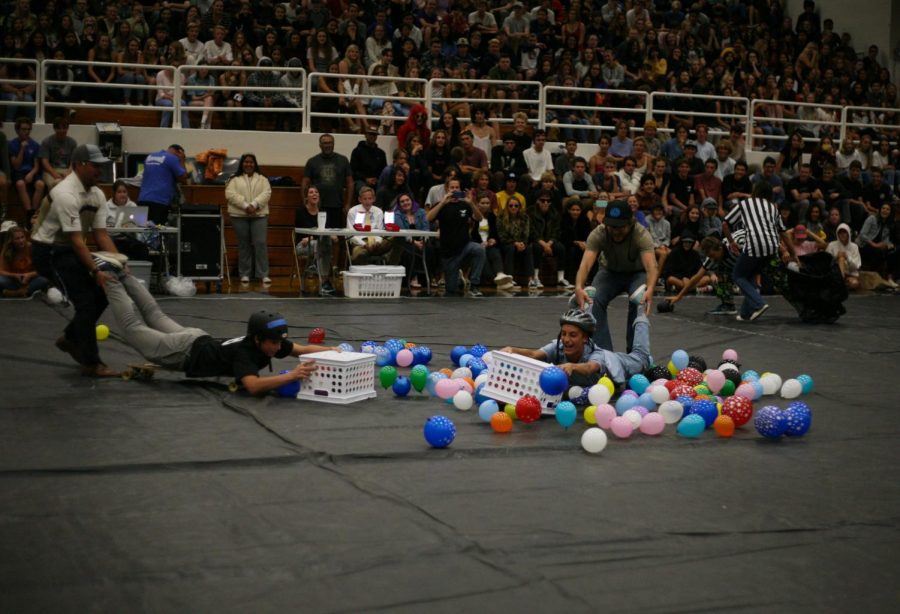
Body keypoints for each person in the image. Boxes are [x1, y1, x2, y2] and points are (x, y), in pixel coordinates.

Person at [101, 280, 330, 394]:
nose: (277, 347)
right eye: (274, 343)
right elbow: (253, 386)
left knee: (154, 314)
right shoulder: (246, 353)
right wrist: (291, 375)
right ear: (258, 339)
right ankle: (111, 277)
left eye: (279, 342)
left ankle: (124, 273)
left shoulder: (267, 342)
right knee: (132, 327)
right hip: (182, 352)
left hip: (195, 338)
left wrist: (334, 351)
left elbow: (300, 349)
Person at [31, 144, 122, 377]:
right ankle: (91, 363)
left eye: (101, 167)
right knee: (86, 302)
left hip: (69, 250)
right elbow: (77, 241)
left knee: (102, 294)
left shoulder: (97, 194)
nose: (99, 171)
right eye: (95, 166)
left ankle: (70, 339)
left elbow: (100, 235)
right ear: (79, 164)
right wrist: (95, 271)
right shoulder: (65, 193)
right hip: (49, 252)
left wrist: (121, 263)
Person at [573, 202, 658, 353]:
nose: (616, 231)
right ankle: (603, 353)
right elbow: (585, 265)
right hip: (610, 272)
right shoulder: (599, 233)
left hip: (636, 273)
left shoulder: (641, 234)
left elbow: (651, 267)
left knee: (639, 300)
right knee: (593, 299)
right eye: (612, 227)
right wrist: (578, 287)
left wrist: (650, 289)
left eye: (620, 227)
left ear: (630, 223)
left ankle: (634, 353)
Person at [500, 307, 652, 389]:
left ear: (584, 338)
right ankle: (587, 307)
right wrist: (513, 349)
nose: (566, 339)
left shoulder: (596, 354)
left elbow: (589, 368)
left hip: (619, 363)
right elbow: (534, 354)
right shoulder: (558, 346)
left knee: (642, 357)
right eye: (564, 334)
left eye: (572, 335)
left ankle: (641, 312)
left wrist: (572, 366)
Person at [722, 181, 796, 322]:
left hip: (755, 244)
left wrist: (731, 242)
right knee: (750, 275)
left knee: (738, 275)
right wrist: (793, 253)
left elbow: (725, 223)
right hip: (772, 247)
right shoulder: (773, 207)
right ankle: (745, 314)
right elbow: (784, 232)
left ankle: (759, 304)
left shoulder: (745, 203)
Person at [425, 178, 485, 297]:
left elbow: (479, 218)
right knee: (451, 290)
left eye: (457, 187)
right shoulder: (441, 205)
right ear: (447, 189)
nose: (454, 190)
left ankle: (474, 284)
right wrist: (443, 202)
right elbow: (428, 218)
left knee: (479, 249)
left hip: (465, 246)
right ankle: (457, 278)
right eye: (452, 188)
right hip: (449, 252)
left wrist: (471, 203)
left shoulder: (465, 204)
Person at [665, 231, 747, 316]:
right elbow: (696, 277)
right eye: (710, 256)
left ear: (720, 248)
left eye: (713, 255)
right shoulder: (711, 258)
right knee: (721, 273)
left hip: (753, 254)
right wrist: (678, 297)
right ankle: (728, 305)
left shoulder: (736, 245)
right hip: (737, 264)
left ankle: (755, 301)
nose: (712, 259)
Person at [226, 153, 272, 285]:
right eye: (246, 162)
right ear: (242, 164)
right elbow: (230, 194)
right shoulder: (234, 179)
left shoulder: (263, 179)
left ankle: (263, 274)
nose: (248, 164)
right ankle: (245, 274)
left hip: (259, 215)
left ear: (255, 164)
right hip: (239, 216)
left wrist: (254, 205)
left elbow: (267, 193)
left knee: (260, 243)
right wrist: (246, 205)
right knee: (244, 245)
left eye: (251, 162)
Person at [302, 134, 353, 229]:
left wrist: (348, 203)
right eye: (325, 143)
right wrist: (305, 202)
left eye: (330, 143)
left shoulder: (343, 160)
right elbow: (305, 183)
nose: (328, 145)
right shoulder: (312, 161)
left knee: (336, 235)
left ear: (333, 144)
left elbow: (350, 183)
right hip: (317, 206)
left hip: (337, 205)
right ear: (320, 145)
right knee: (319, 234)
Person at [295, 185, 337, 296]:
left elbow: (326, 230)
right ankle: (324, 281)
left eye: (316, 192)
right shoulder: (301, 211)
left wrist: (331, 235)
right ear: (306, 197)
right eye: (311, 192)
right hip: (303, 245)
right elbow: (305, 232)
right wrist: (315, 237)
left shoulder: (323, 212)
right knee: (324, 243)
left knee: (324, 243)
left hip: (318, 244)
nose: (314, 194)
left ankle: (320, 275)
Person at [8, 117, 45, 230]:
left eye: (28, 129)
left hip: (31, 172)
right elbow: (16, 165)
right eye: (23, 129)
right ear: (17, 130)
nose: (26, 132)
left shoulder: (35, 145)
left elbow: (36, 166)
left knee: (40, 185)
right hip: (18, 172)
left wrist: (31, 174)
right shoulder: (12, 144)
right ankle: (29, 212)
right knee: (20, 184)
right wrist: (22, 149)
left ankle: (32, 214)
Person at [137, 144, 188, 225]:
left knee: (142, 229)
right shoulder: (172, 158)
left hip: (142, 199)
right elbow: (183, 178)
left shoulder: (150, 156)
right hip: (160, 201)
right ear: (179, 152)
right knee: (157, 230)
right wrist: (182, 160)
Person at [530, 191, 570, 288]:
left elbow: (556, 231)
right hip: (536, 240)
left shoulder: (555, 213)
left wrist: (549, 243)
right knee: (537, 248)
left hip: (550, 241)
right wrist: (544, 245)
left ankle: (560, 278)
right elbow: (531, 232)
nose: (546, 203)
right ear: (537, 201)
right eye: (542, 200)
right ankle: (535, 277)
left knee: (561, 248)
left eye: (548, 201)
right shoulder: (530, 212)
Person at [105, 180, 151, 262]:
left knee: (142, 248)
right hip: (113, 239)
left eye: (124, 192)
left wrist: (143, 224)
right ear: (114, 194)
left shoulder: (132, 205)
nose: (122, 194)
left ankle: (141, 273)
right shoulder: (106, 207)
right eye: (119, 192)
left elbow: (139, 224)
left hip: (128, 238)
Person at [346, 186, 393, 265]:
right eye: (365, 199)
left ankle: (387, 260)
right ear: (359, 199)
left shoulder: (378, 211)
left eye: (370, 198)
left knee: (396, 239)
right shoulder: (353, 211)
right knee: (359, 254)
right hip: (361, 243)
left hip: (377, 243)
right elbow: (351, 234)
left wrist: (377, 242)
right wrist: (364, 244)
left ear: (374, 199)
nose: (367, 201)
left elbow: (380, 231)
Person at [0, 224, 48, 297]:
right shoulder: (6, 250)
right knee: (1, 280)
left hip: (31, 280)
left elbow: (43, 269)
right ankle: (22, 292)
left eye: (22, 237)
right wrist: (15, 276)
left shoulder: (32, 248)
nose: (21, 240)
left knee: (44, 279)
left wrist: (29, 275)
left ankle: (18, 293)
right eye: (17, 238)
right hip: (15, 280)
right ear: (11, 240)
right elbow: (1, 271)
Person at [37, 116, 77, 191]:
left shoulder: (72, 142)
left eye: (64, 128)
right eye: (59, 128)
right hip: (50, 170)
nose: (62, 131)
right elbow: (44, 162)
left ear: (67, 129)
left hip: (67, 170)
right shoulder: (47, 141)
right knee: (55, 183)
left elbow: (73, 162)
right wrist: (55, 174)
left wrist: (68, 174)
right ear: (54, 129)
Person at [351, 127, 388, 196]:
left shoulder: (381, 153)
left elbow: (384, 171)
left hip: (377, 181)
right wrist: (365, 179)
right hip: (361, 181)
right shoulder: (357, 151)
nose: (372, 136)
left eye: (374, 135)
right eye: (370, 134)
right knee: (365, 191)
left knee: (385, 190)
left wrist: (376, 179)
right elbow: (353, 171)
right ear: (365, 135)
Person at [826, 222, 861, 290]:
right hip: (835, 274)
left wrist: (847, 257)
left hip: (850, 275)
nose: (842, 235)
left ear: (848, 234)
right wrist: (836, 257)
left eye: (844, 232)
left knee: (854, 284)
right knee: (841, 259)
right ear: (837, 234)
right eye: (840, 233)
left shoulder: (854, 247)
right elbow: (826, 263)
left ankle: (840, 284)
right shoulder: (831, 245)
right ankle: (840, 283)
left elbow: (856, 267)